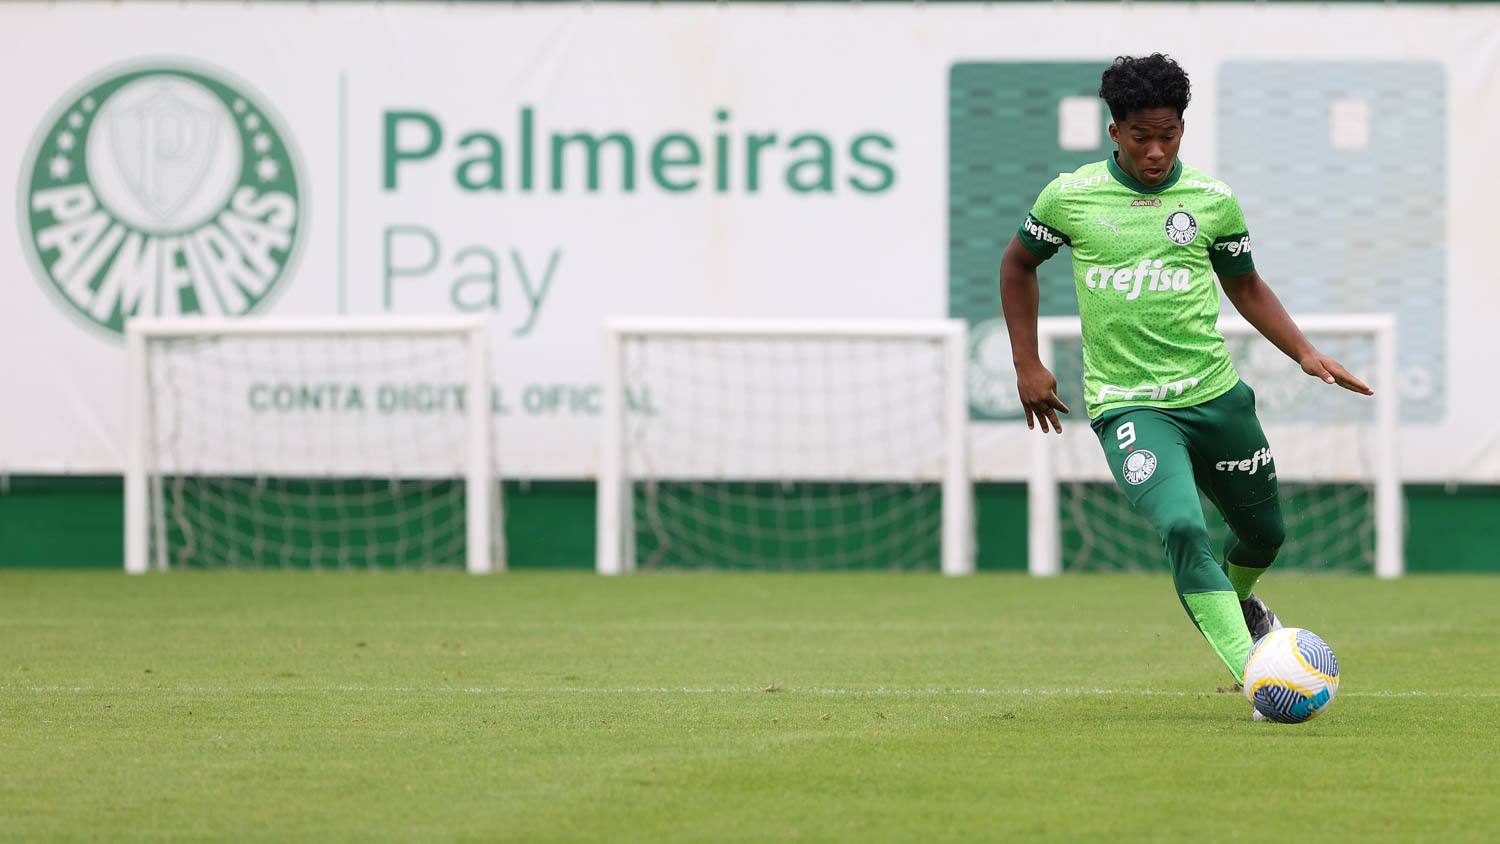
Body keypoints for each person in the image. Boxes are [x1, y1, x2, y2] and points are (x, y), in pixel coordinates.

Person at [998, 53, 1373, 695]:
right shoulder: (1070, 197)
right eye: (1141, 136)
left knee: (1264, 536)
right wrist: (1027, 362)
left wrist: (1304, 352)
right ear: (1113, 131)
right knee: (1182, 526)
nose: (1155, 151)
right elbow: (1017, 266)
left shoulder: (1211, 201)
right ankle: (1259, 677)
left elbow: (1246, 285)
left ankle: (1237, 605)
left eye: (1168, 136)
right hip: (1129, 405)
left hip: (1216, 395)